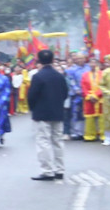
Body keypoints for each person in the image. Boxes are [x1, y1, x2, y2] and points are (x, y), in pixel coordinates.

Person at [26, 49, 68, 180]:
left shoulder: (38, 76)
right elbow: (65, 93)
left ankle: (47, 171)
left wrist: (33, 109)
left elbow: (31, 96)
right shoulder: (60, 76)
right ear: (52, 60)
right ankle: (60, 170)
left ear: (39, 61)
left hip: (42, 113)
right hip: (57, 112)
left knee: (43, 142)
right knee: (58, 141)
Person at [65, 53, 88, 139]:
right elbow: (71, 81)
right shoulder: (71, 70)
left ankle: (87, 132)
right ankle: (76, 132)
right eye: (78, 58)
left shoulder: (88, 68)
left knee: (87, 113)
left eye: (82, 58)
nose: (80, 60)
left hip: (88, 93)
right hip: (77, 94)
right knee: (76, 113)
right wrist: (76, 89)